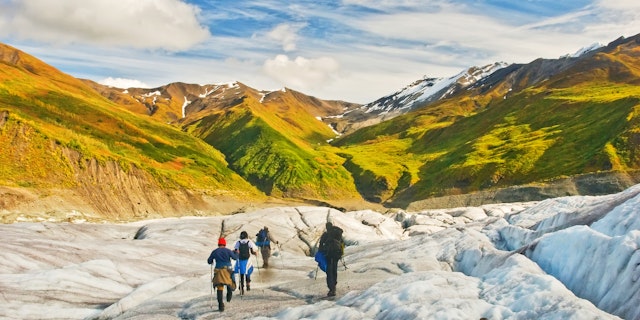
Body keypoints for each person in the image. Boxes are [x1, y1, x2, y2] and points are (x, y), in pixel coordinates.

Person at [207, 237, 237, 311]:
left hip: (218, 271)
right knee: (230, 282)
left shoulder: (215, 251)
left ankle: (221, 305)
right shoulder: (228, 251)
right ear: (224, 244)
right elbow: (235, 258)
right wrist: (236, 253)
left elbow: (209, 260)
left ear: (218, 244)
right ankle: (229, 293)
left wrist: (211, 261)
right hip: (228, 270)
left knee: (219, 287)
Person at [318, 222, 344, 297]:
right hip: (336, 254)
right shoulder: (337, 234)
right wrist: (341, 253)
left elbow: (321, 244)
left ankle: (331, 289)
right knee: (334, 270)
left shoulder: (326, 235)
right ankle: (334, 285)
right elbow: (342, 244)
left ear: (327, 227)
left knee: (329, 271)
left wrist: (320, 253)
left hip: (328, 254)